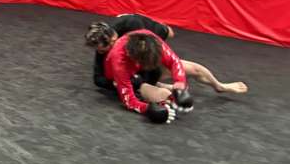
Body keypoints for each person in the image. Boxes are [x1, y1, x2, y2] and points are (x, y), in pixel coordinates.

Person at [85, 15, 247, 97]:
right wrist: (118, 82)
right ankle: (158, 84)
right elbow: (98, 79)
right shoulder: (104, 50)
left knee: (171, 37)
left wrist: (174, 72)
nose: (108, 51)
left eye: (110, 46)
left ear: (114, 36)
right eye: (102, 51)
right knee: (145, 85)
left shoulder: (133, 26)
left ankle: (219, 86)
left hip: (147, 45)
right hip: (134, 67)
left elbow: (160, 45)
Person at [103, 30, 192, 123]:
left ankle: (163, 86)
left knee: (195, 69)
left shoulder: (150, 39)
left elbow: (174, 61)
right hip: (120, 78)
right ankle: (161, 87)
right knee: (156, 92)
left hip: (140, 66)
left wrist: (180, 84)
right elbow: (129, 101)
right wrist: (147, 109)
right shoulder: (119, 62)